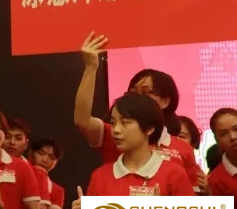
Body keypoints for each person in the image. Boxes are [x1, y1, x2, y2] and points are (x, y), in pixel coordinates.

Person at [70, 93, 195, 209]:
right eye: (113, 122)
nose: (116, 130)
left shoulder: (174, 174)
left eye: (125, 123)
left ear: (149, 128)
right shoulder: (100, 176)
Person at [73, 33, 199, 189]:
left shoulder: (182, 152)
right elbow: (82, 120)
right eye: (133, 92)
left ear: (166, 101)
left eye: (147, 92)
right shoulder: (113, 136)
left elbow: (191, 200)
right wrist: (91, 68)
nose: (139, 98)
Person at [4, 118, 50, 209]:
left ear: (26, 144)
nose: (12, 142)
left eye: (18, 138)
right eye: (7, 137)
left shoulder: (37, 173)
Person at [207, 108, 237, 209]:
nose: (233, 137)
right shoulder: (214, 181)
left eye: (236, 129)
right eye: (224, 133)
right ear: (217, 140)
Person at [29, 137, 64, 209]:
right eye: (41, 153)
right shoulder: (19, 174)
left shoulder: (58, 190)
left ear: (55, 163)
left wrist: (41, 177)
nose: (45, 160)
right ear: (31, 154)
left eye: (51, 157)